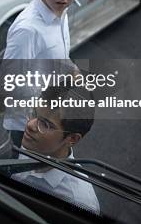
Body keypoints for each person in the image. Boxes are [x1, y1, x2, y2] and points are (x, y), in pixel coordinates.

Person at [2, 0, 83, 148]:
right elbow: (9, 86)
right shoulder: (27, 29)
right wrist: (52, 96)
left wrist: (72, 71)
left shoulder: (59, 11)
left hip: (53, 122)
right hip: (29, 130)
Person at [11, 85, 100, 215]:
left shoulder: (80, 202)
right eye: (33, 113)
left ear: (72, 139)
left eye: (45, 124)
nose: (30, 125)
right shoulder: (23, 146)